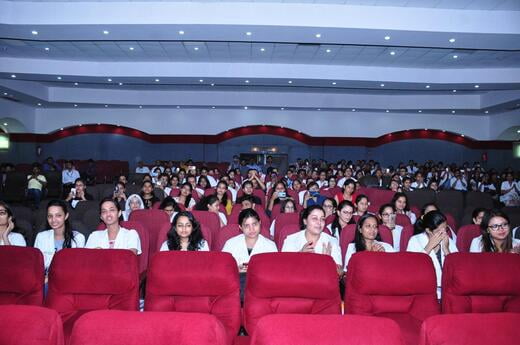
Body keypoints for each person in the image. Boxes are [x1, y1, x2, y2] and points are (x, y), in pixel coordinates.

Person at [407, 210, 457, 298]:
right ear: (429, 230)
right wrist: (428, 247)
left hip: (448, 290)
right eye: (439, 230)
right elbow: (411, 269)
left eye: (445, 229)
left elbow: (456, 270)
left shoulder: (448, 240)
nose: (444, 233)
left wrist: (446, 249)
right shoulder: (415, 241)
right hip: (425, 291)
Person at [34, 200, 85, 270]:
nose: (53, 220)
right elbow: (37, 265)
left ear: (66, 216)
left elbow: (78, 266)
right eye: (50, 216)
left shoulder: (78, 238)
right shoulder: (41, 237)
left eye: (58, 215)